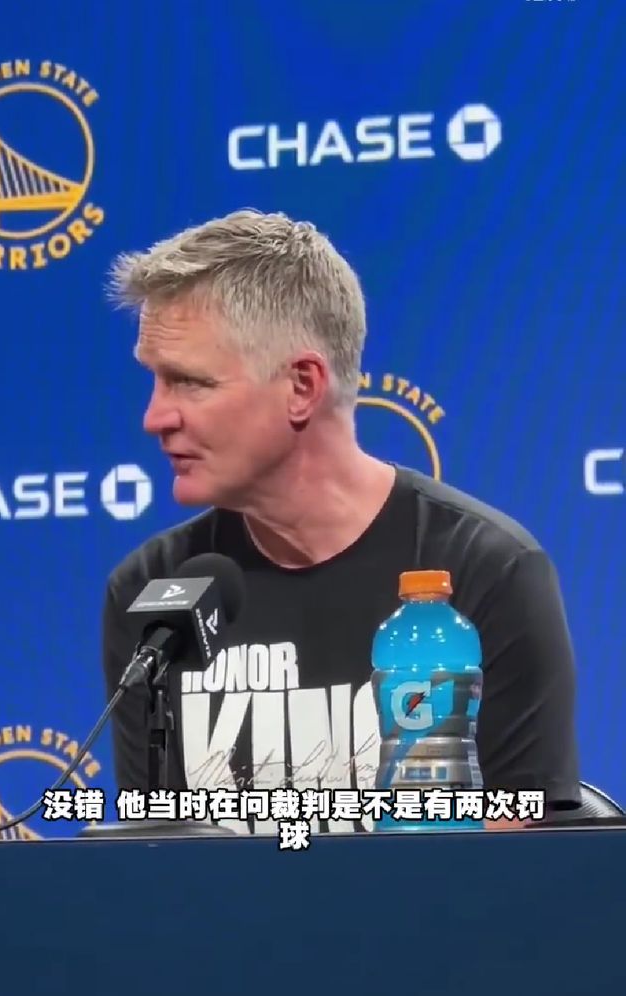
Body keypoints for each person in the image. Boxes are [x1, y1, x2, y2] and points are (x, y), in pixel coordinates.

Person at [102, 208, 580, 835]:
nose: (155, 417)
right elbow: (151, 860)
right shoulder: (154, 593)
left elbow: (524, 866)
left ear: (302, 386)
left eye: (189, 382)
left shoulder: (488, 570)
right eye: (156, 381)